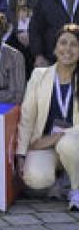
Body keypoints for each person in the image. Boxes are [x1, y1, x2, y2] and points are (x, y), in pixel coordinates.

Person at [16, 23, 79, 211]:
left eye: (74, 44)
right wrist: (21, 152)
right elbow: (27, 117)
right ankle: (64, 176)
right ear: (55, 47)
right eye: (63, 43)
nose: (67, 49)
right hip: (46, 144)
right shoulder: (39, 75)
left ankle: (76, 190)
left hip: (74, 143)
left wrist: (60, 136)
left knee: (68, 144)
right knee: (35, 178)